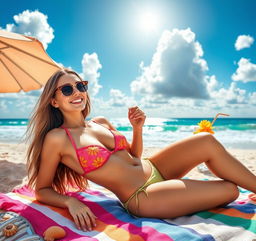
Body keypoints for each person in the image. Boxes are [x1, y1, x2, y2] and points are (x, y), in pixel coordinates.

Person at [26, 68, 256, 232]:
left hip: (154, 167)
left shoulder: (100, 122)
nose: (77, 92)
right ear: (54, 101)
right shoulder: (57, 139)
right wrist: (70, 202)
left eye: (80, 85)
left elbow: (133, 155)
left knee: (206, 140)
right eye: (66, 89)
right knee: (230, 190)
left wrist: (137, 128)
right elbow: (42, 189)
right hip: (142, 196)